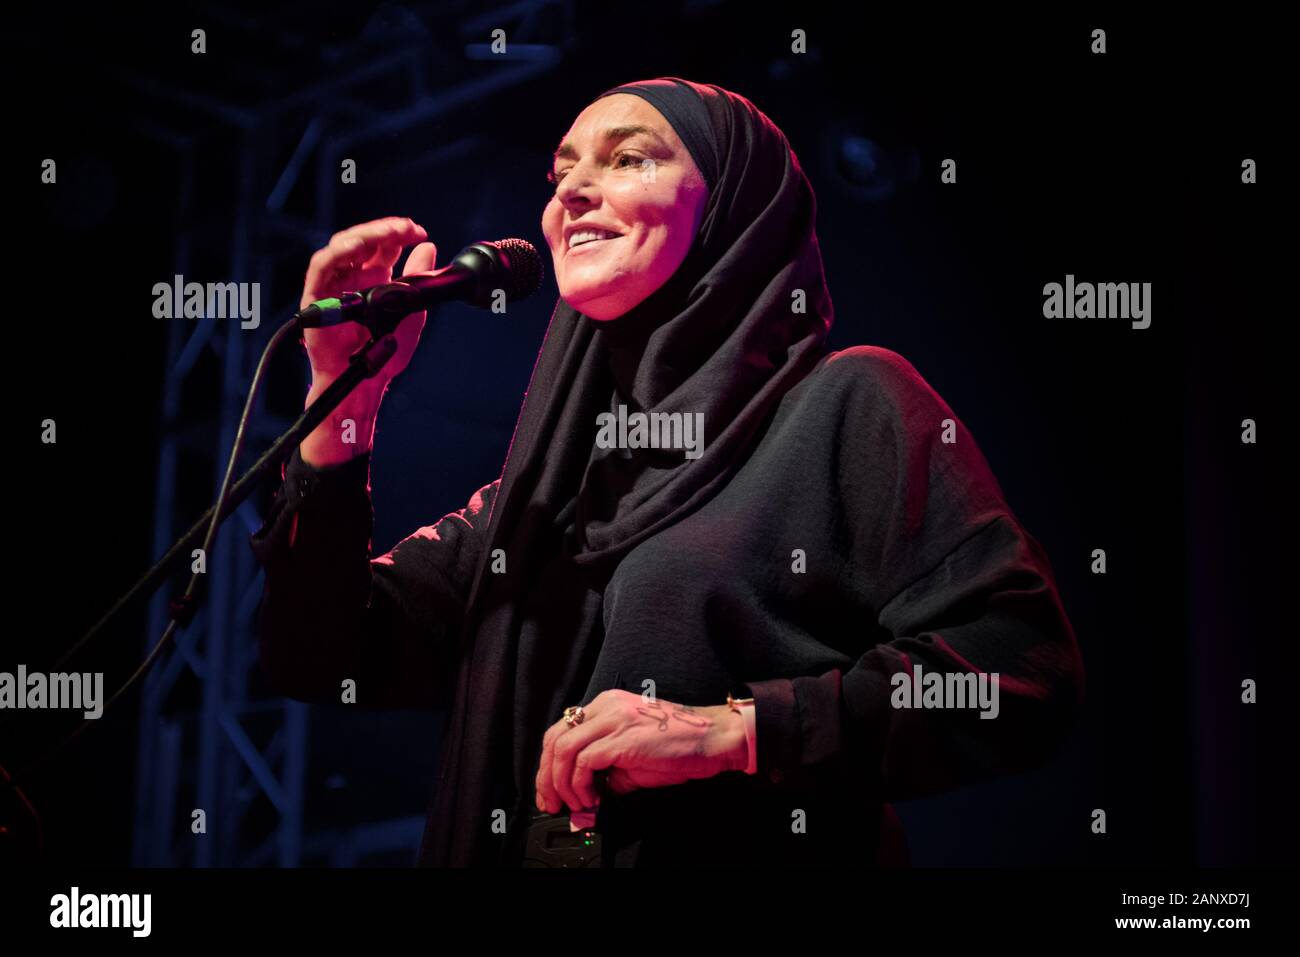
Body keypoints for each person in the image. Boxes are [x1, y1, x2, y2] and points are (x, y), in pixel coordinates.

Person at [249, 76, 1085, 867]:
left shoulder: (848, 404)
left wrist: (737, 731)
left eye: (627, 157)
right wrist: (342, 399)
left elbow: (1017, 670)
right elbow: (324, 653)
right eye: (562, 170)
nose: (570, 191)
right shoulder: (538, 497)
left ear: (729, 203)